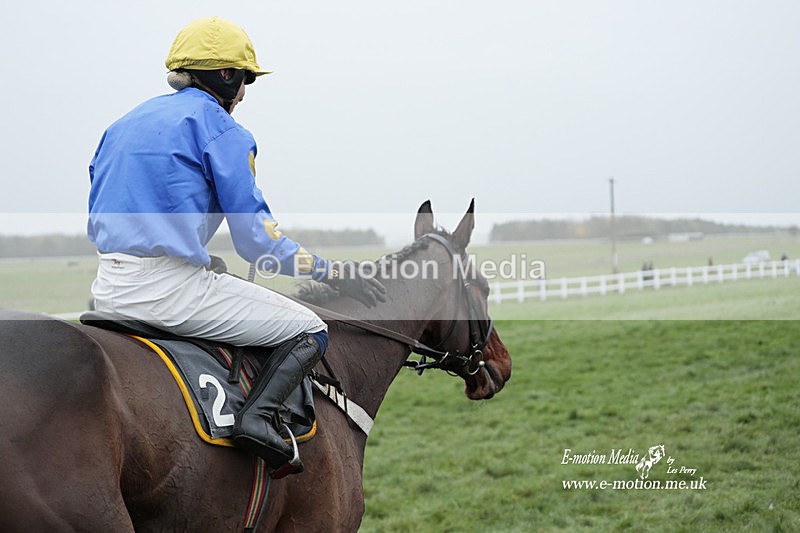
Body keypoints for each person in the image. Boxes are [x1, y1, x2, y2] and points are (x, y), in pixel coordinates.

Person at [87, 16, 385, 476]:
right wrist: (332, 271)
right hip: (169, 291)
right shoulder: (224, 131)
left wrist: (198, 253)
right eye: (244, 79)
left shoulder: (122, 123)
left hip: (107, 285)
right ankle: (257, 419)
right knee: (309, 329)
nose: (244, 93)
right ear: (225, 76)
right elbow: (256, 242)